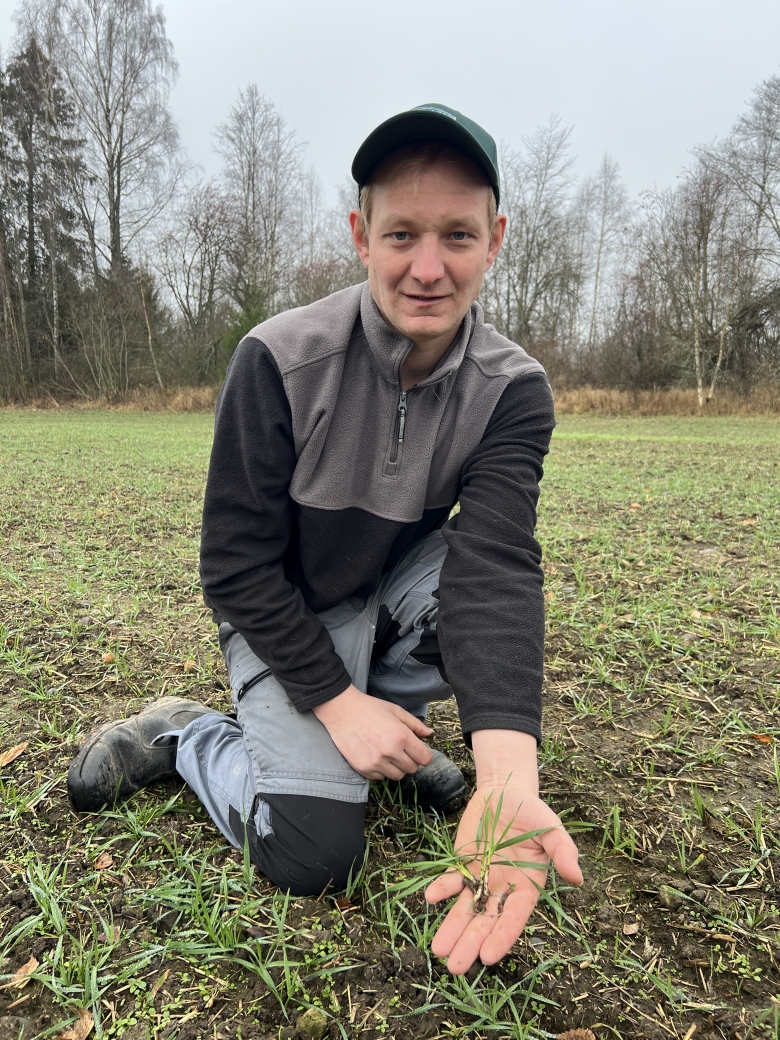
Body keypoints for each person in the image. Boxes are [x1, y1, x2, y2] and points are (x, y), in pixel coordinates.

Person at [67, 103, 582, 975]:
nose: (428, 267)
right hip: (284, 611)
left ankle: (372, 748)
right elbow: (233, 565)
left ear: (495, 239)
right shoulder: (275, 359)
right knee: (311, 857)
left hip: (387, 598)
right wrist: (338, 706)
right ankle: (192, 735)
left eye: (457, 235)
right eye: (401, 234)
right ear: (360, 234)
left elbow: (493, 569)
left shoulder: (513, 390)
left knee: (480, 590)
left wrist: (506, 783)